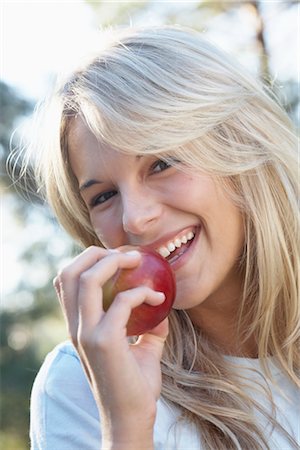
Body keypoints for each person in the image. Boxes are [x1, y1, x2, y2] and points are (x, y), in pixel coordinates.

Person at [24, 25, 299, 450]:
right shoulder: (80, 384)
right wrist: (127, 423)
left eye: (162, 163)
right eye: (104, 196)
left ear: (242, 146)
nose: (135, 220)